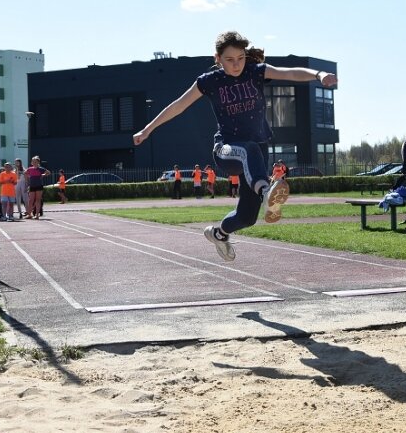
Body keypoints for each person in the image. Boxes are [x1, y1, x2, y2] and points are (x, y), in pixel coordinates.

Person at [133, 30, 338, 261]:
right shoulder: (210, 81)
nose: (236, 64)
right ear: (217, 59)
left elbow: (288, 73)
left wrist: (318, 74)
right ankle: (267, 190)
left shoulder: (255, 72)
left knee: (248, 217)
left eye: (240, 58)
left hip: (258, 152)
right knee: (247, 149)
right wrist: (147, 129)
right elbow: (178, 105)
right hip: (227, 150)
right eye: (229, 60)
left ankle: (219, 233)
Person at [24, 156, 50, 220]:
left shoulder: (41, 169)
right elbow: (25, 174)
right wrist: (27, 181)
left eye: (35, 162)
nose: (34, 163)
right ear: (31, 162)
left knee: (38, 200)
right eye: (33, 161)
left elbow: (48, 172)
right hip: (32, 186)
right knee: (31, 200)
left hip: (39, 186)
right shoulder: (30, 169)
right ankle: (29, 214)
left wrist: (43, 175)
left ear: (38, 162)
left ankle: (37, 215)